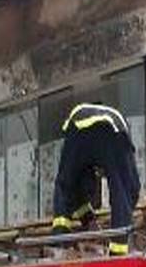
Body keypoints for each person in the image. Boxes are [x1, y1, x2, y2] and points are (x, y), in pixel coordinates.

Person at [50, 102, 141, 256]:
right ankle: (118, 250)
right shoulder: (123, 145)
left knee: (65, 184)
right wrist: (125, 217)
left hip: (76, 125)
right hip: (111, 129)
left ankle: (59, 238)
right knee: (121, 188)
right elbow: (131, 189)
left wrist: (88, 220)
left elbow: (73, 190)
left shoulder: (87, 167)